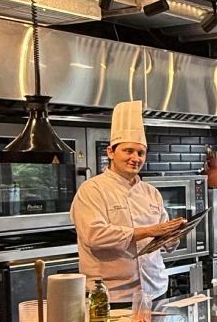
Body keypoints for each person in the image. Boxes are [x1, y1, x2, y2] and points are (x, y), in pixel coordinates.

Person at [70, 100, 185, 303]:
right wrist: (150, 231)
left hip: (155, 290)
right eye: (128, 151)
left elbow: (164, 243)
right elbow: (94, 235)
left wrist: (173, 236)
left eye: (140, 153)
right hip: (111, 296)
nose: (135, 158)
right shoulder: (92, 189)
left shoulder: (151, 192)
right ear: (111, 152)